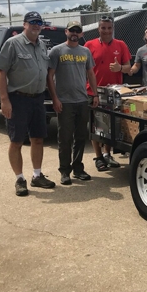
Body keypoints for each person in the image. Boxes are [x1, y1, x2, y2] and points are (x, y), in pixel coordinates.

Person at [0, 11, 56, 196]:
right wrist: (4, 100)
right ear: (25, 24)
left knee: (37, 139)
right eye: (33, 22)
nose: (36, 25)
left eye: (39, 22)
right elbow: (1, 71)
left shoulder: (42, 45)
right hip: (18, 99)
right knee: (17, 141)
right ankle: (19, 179)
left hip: (37, 99)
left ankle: (37, 176)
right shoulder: (13, 44)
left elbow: (45, 73)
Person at [47, 21, 99, 185]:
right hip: (65, 102)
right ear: (66, 32)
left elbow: (91, 73)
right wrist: (54, 98)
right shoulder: (57, 51)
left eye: (78, 30)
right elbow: (50, 76)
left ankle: (78, 168)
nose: (74, 33)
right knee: (65, 138)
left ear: (82, 34)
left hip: (82, 100)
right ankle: (64, 171)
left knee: (81, 136)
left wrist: (95, 95)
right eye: (72, 30)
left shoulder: (85, 51)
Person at [84, 15, 131, 171]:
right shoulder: (89, 45)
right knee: (95, 125)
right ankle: (98, 157)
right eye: (103, 28)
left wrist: (120, 69)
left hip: (114, 92)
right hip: (94, 91)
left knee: (111, 125)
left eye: (109, 28)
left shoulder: (121, 45)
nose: (106, 31)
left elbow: (129, 68)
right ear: (98, 29)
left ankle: (107, 154)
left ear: (113, 28)